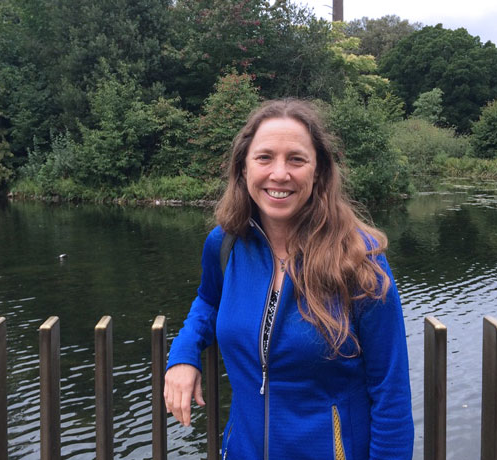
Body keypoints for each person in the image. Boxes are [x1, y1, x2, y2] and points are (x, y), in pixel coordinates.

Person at [164, 99, 414, 460]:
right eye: (264, 157)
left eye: (296, 159)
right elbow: (208, 301)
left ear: (318, 171)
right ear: (243, 167)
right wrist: (184, 352)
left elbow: (390, 393)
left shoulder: (359, 258)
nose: (279, 174)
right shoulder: (226, 242)